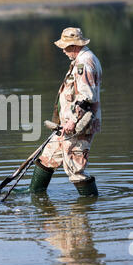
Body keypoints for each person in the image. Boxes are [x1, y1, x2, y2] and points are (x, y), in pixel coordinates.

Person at [27, 27, 102, 197]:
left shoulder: (84, 62)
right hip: (67, 125)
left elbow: (86, 98)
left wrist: (72, 121)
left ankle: (89, 203)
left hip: (79, 126)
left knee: (75, 169)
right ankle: (34, 193)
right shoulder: (80, 60)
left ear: (74, 45)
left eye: (65, 47)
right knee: (48, 156)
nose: (63, 50)